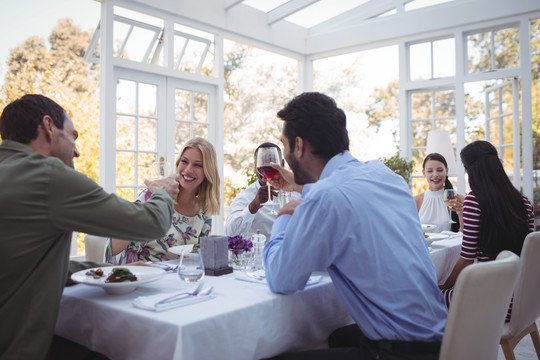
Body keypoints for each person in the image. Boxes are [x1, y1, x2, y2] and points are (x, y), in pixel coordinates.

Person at [263, 92, 447, 360]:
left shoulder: (324, 198)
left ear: (299, 145)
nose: (287, 155)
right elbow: (347, 199)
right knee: (335, 336)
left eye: (286, 146)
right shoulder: (385, 176)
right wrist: (302, 185)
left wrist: (282, 217)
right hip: (440, 339)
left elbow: (282, 279)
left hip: (400, 352)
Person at [0, 94, 178, 360]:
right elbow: (151, 223)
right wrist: (163, 193)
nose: (77, 150)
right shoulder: (47, 175)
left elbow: (30, 264)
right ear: (48, 127)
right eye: (74, 135)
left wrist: (116, 270)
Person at [440, 140, 535, 309]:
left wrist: (442, 287)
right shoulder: (524, 202)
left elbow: (466, 260)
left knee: (429, 298)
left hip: (492, 303)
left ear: (471, 170)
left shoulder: (474, 201)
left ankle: (451, 335)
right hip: (523, 299)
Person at [105, 137, 220, 264]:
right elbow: (111, 249)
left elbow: (200, 257)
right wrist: (151, 208)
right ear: (178, 164)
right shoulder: (152, 196)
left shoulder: (204, 210)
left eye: (197, 165)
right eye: (184, 161)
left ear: (208, 171)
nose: (188, 170)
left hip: (181, 278)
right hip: (143, 276)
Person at [225, 142, 301, 240]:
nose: (267, 166)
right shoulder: (245, 197)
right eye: (262, 162)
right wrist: (253, 207)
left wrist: (296, 186)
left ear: (282, 164)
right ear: (256, 166)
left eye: (272, 161)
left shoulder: (296, 192)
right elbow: (230, 233)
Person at [414, 153, 463, 233]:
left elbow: (464, 234)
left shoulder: (458, 199)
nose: (435, 175)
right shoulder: (416, 200)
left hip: (450, 245)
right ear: (424, 173)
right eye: (430, 171)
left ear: (446, 171)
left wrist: (461, 214)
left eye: (440, 170)